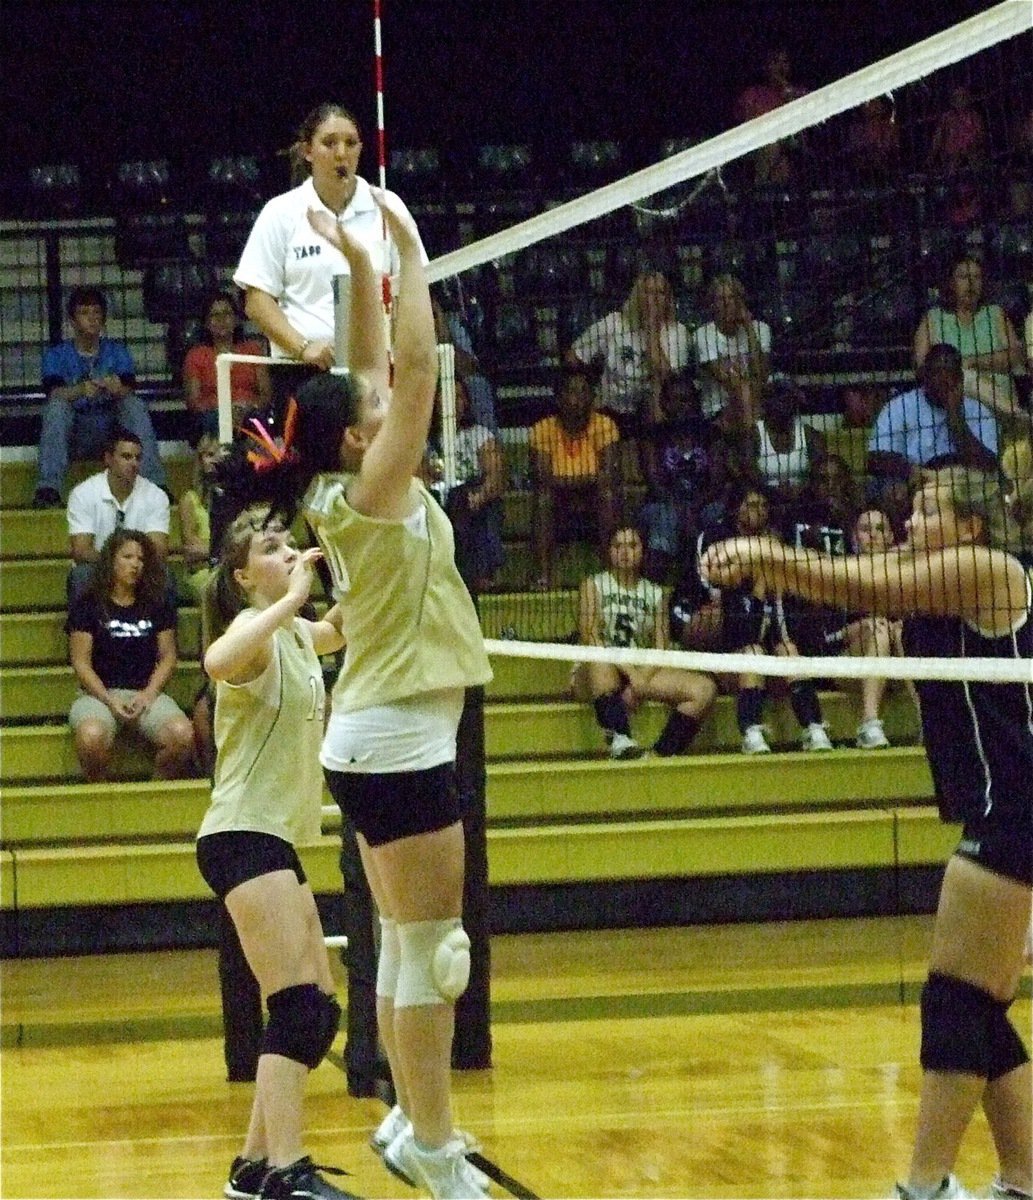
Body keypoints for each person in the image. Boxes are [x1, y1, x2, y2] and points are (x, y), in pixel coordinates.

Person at [219, 189, 493, 1198]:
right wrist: (410, 249)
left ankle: (418, 1128)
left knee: (416, 951)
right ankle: (431, 1140)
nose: (387, 405)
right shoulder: (374, 493)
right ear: (351, 442)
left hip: (386, 731)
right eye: (371, 414)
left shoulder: (345, 481)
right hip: (396, 736)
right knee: (435, 952)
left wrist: (350, 263)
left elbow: (371, 369)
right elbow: (412, 368)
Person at [702, 457, 1033, 1200]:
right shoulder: (939, 581)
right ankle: (1019, 1181)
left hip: (1016, 811)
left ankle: (923, 1187)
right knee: (977, 1004)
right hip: (999, 810)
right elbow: (854, 586)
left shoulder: (988, 571)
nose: (911, 521)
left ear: (971, 527)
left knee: (954, 1002)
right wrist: (769, 579)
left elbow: (868, 585)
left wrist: (767, 555)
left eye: (929, 510)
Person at [198, 508, 353, 1200]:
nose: (289, 553)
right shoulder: (249, 633)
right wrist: (290, 598)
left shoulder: (294, 633)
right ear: (241, 576)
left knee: (317, 1009)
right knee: (294, 1006)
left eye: (291, 543)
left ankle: (253, 1167)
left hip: (273, 839)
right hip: (240, 834)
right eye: (271, 548)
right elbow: (216, 661)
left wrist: (356, 544)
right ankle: (287, 1173)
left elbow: (346, 624)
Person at [233, 101, 423, 422]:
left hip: (376, 372)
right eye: (329, 142)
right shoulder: (281, 213)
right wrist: (303, 347)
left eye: (350, 143)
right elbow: (257, 299)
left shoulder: (389, 207)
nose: (341, 153)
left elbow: (415, 288)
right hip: (304, 376)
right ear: (308, 151)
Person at [707, 483, 833, 755]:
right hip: (733, 663)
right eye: (752, 505)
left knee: (787, 648)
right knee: (753, 652)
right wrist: (761, 585)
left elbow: (788, 630)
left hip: (775, 665)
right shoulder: (729, 568)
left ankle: (813, 727)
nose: (759, 511)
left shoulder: (783, 570)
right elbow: (746, 633)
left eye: (764, 506)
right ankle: (751, 731)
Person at [572, 525, 716, 760]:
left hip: (640, 668)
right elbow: (590, 635)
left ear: (643, 551)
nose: (625, 552)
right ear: (608, 551)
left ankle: (661, 752)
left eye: (632, 546)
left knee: (704, 690)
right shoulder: (593, 584)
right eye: (618, 546)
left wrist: (641, 679)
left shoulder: (656, 593)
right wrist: (631, 673)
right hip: (598, 668)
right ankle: (621, 739)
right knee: (600, 662)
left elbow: (661, 646)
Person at [67, 528, 194, 782]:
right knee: (91, 739)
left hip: (146, 692)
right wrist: (107, 698)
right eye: (127, 557)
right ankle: (102, 799)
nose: (135, 564)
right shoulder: (88, 604)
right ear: (111, 560)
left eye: (141, 559)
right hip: (99, 694)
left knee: (182, 736)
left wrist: (148, 694)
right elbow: (80, 662)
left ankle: (151, 797)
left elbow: (168, 656)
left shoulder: (156, 603)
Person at [33, 286, 165, 508]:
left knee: (132, 404)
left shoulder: (116, 352)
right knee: (57, 407)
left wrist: (116, 389)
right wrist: (81, 390)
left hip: (112, 435)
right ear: (73, 321)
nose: (92, 319)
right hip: (74, 434)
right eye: (85, 313)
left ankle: (156, 485)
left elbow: (129, 388)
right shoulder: (57, 355)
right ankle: (48, 489)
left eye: (96, 312)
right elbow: (54, 392)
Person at [867, 344, 999, 520]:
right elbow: (876, 457)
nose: (943, 378)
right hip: (913, 477)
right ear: (924, 375)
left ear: (960, 377)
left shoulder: (978, 410)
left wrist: (955, 416)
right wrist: (913, 472)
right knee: (891, 491)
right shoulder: (900, 406)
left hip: (961, 483)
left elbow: (988, 464)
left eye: (950, 372)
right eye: (937, 372)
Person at [914, 254, 1027, 442]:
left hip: (998, 399)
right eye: (963, 277)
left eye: (977, 277)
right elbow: (923, 367)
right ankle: (1016, 414)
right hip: (954, 404)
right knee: (963, 376)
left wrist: (972, 362)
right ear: (950, 283)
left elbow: (1014, 358)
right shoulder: (932, 319)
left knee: (964, 372)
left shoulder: (996, 313)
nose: (971, 283)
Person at [528, 359, 619, 587]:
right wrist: (588, 479)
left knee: (608, 495)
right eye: (570, 392)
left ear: (592, 397)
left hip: (594, 499)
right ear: (558, 398)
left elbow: (609, 475)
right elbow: (542, 479)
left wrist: (572, 481)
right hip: (559, 503)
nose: (577, 399)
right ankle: (543, 576)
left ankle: (612, 573)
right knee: (543, 499)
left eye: (583, 392)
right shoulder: (542, 429)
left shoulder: (605, 425)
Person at [567, 270, 691, 430]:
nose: (653, 299)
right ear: (637, 296)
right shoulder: (614, 323)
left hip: (652, 409)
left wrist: (652, 333)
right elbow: (572, 357)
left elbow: (669, 379)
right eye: (648, 292)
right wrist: (590, 388)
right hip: (610, 405)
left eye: (660, 293)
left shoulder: (678, 332)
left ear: (668, 299)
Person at [66, 428, 172, 607]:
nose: (133, 464)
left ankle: (161, 635)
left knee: (166, 576)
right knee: (80, 576)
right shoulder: (83, 493)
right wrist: (118, 564)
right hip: (98, 567)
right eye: (126, 456)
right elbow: (81, 551)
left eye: (137, 458)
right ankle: (83, 634)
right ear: (108, 459)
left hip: (139, 567)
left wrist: (131, 564)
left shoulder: (156, 495)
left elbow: (158, 551)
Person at [428, 374, 506, 593]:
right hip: (437, 500)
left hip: (474, 497)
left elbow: (497, 475)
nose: (456, 402)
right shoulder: (425, 440)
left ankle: (483, 574)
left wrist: (478, 497)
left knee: (486, 509)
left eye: (460, 396)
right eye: (448, 396)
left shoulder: (480, 434)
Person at [182, 290, 271, 441]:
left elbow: (266, 394)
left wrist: (245, 409)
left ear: (236, 320)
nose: (221, 319)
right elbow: (193, 402)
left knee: (254, 422)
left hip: (249, 412)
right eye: (215, 315)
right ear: (206, 323)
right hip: (212, 415)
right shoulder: (196, 355)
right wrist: (225, 412)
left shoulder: (252, 350)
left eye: (227, 313)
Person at [693, 274, 772, 432]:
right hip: (719, 409)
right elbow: (728, 382)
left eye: (732, 298)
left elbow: (762, 373)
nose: (727, 303)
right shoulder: (703, 334)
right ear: (713, 305)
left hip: (757, 403)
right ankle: (755, 440)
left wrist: (749, 328)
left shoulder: (761, 329)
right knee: (743, 391)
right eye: (721, 299)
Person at [750, 377, 826, 526]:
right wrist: (775, 493)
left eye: (788, 399)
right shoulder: (753, 435)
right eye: (779, 398)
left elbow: (820, 474)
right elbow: (749, 477)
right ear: (768, 403)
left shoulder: (810, 435)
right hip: (765, 499)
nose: (783, 404)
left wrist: (801, 490)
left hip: (803, 499)